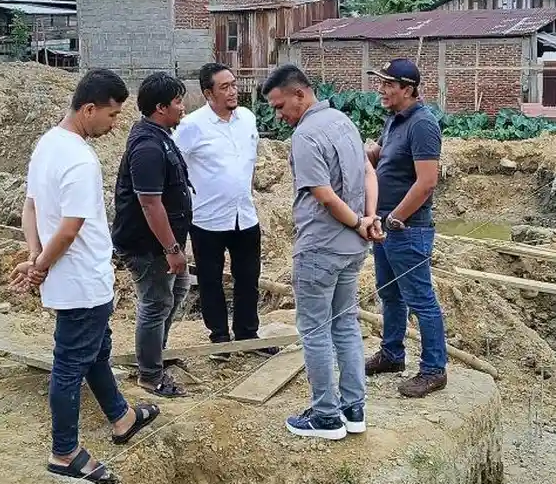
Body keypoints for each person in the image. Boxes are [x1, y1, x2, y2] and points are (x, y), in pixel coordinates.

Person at [8, 68, 160, 484]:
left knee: (95, 351)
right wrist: (39, 265)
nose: (114, 126)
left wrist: (36, 255)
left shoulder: (46, 144)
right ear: (89, 109)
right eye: (111, 116)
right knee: (70, 363)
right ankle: (64, 452)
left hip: (70, 276)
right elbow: (71, 227)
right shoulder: (79, 158)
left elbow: (31, 208)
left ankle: (122, 418)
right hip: (82, 281)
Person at [261, 64, 383, 440]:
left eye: (281, 106)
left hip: (322, 247)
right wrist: (368, 218)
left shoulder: (306, 134)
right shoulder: (343, 121)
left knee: (315, 330)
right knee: (345, 324)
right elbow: (368, 172)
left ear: (300, 94)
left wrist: (357, 221)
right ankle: (354, 408)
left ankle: (326, 416)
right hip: (352, 248)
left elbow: (325, 195)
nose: (279, 116)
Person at [173, 63, 278, 361]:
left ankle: (247, 335)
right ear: (208, 93)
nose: (233, 91)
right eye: (225, 87)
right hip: (207, 219)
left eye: (233, 85)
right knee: (210, 280)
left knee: (248, 278)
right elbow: (175, 164)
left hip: (244, 215)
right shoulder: (192, 125)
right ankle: (219, 338)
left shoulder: (247, 119)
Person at [363, 57, 449, 398]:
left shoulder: (423, 125)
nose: (381, 90)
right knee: (390, 294)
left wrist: (397, 217)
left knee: (421, 300)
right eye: (381, 83)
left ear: (408, 90)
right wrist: (375, 155)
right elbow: (395, 159)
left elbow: (427, 182)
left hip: (406, 228)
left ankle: (433, 369)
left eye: (387, 85)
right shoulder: (395, 120)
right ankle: (392, 354)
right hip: (386, 226)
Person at [112, 71, 193, 398]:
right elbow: (149, 203)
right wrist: (172, 248)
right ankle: (150, 375)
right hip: (148, 244)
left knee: (177, 289)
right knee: (156, 301)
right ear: (161, 107)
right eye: (177, 101)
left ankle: (154, 355)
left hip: (161, 242)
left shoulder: (159, 135)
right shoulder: (147, 145)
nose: (183, 107)